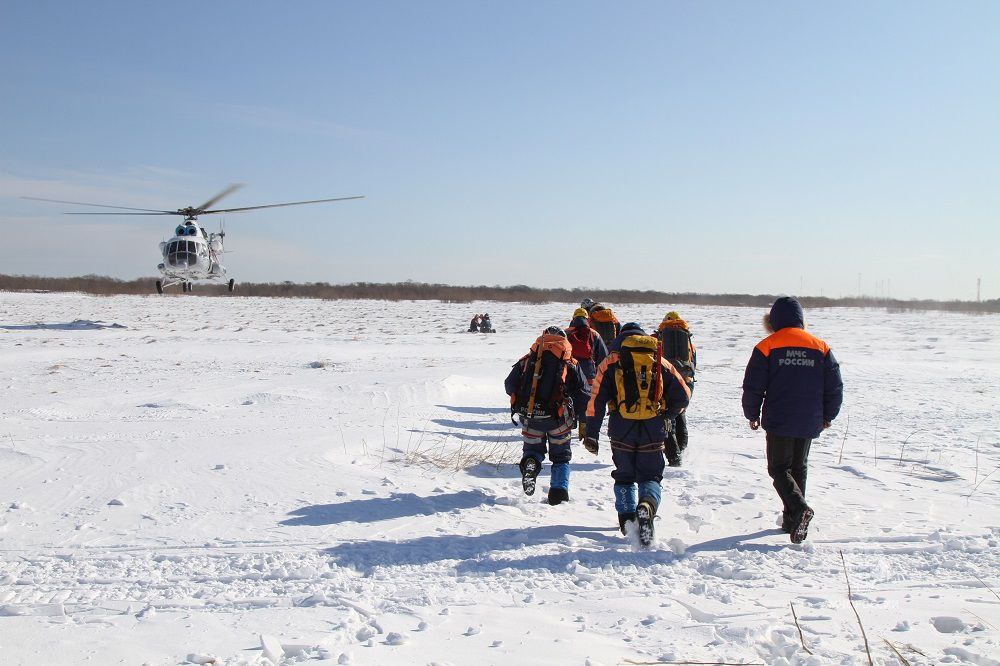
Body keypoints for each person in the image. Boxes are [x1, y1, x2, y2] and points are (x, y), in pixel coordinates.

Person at [742, 296, 843, 544]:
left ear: (774, 320)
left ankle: (799, 510)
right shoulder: (820, 347)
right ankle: (791, 521)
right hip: (809, 419)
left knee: (778, 468)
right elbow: (835, 387)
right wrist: (828, 415)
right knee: (798, 467)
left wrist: (751, 413)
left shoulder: (767, 346)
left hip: (779, 418)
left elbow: (753, 386)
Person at [583, 323, 691, 546]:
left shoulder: (611, 362)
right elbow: (684, 395)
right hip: (654, 429)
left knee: (624, 476)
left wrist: (591, 434)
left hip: (621, 429)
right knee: (651, 476)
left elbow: (595, 402)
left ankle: (626, 520)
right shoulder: (659, 360)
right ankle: (647, 506)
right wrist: (666, 415)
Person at [506, 326, 591, 505]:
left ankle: (531, 465)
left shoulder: (528, 360)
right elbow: (584, 394)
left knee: (532, 450)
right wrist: (582, 418)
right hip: (559, 420)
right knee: (561, 457)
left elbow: (509, 384)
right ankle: (558, 494)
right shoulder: (570, 363)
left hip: (530, 417)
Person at [656, 311, 697, 467]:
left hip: (668, 380)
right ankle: (682, 447)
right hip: (687, 380)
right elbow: (694, 363)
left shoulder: (658, 338)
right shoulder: (688, 341)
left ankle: (674, 456)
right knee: (681, 412)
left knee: (668, 417)